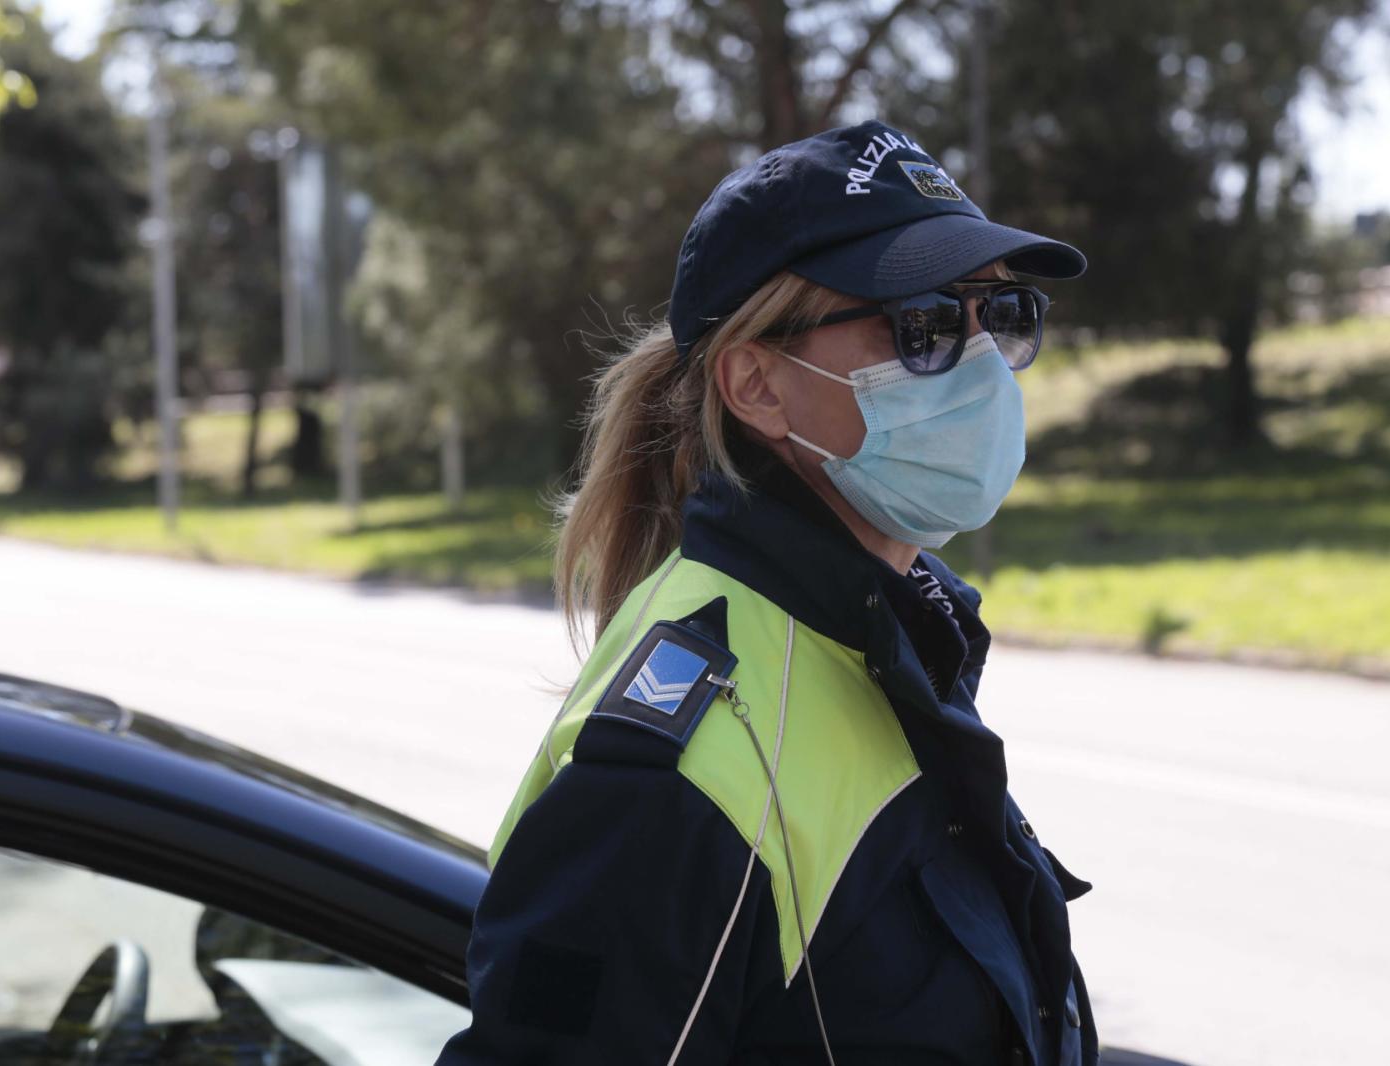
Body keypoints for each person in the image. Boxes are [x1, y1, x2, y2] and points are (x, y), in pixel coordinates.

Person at [436, 120, 1096, 1066]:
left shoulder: (889, 634)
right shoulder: (684, 756)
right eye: (927, 325)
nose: (983, 361)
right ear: (757, 384)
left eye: (1004, 315)